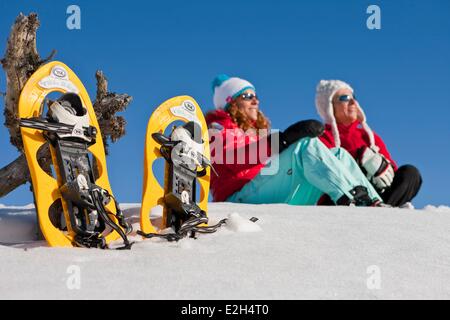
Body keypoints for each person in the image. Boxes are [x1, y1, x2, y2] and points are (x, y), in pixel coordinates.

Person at [205, 74, 385, 207]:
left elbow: (271, 167)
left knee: (338, 153)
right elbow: (233, 158)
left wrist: (283, 145)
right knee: (304, 146)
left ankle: (374, 202)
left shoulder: (254, 133)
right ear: (231, 102)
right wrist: (283, 140)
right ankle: (352, 199)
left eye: (256, 96)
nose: (255, 101)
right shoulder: (220, 127)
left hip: (263, 191)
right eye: (247, 96)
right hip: (238, 200)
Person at [315, 80, 422, 207]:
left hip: (378, 195)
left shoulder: (369, 136)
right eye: (345, 98)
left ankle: (383, 211)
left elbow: (392, 170)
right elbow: (321, 170)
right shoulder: (322, 137)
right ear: (329, 106)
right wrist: (357, 158)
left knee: (410, 173)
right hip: (343, 199)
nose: (353, 102)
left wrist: (382, 168)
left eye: (354, 97)